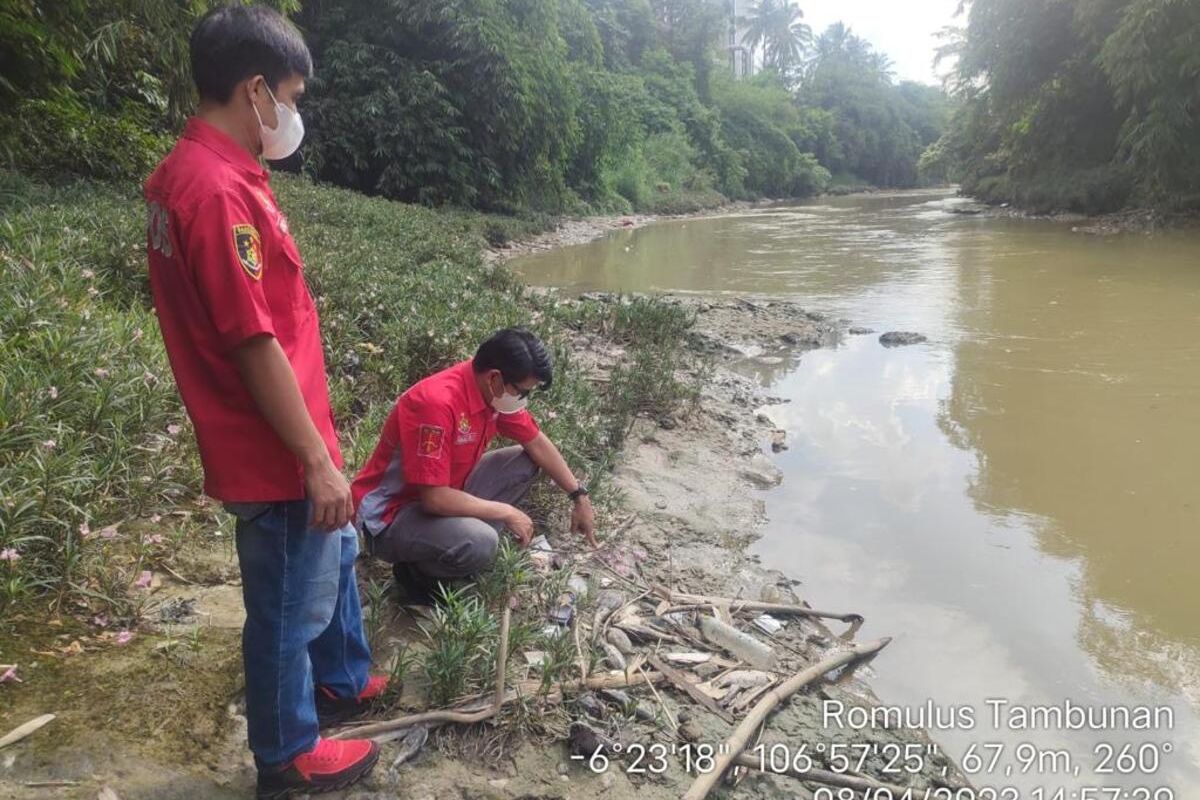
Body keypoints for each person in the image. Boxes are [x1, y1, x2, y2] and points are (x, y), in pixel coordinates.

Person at [143, 6, 382, 797]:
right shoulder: (214, 194)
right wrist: (314, 460)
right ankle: (287, 760)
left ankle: (343, 679)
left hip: (294, 430)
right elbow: (250, 342)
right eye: (289, 93)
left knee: (336, 559)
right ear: (255, 90)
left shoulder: (212, 175)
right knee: (286, 605)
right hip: (275, 449)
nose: (293, 112)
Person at [352, 329, 597, 599]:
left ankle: (461, 541)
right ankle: (417, 575)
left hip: (447, 491)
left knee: (525, 461)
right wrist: (506, 512)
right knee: (482, 541)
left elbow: (536, 442)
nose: (524, 399)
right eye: (522, 391)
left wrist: (579, 496)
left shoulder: (491, 393)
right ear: (495, 378)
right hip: (391, 517)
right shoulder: (436, 404)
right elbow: (433, 498)